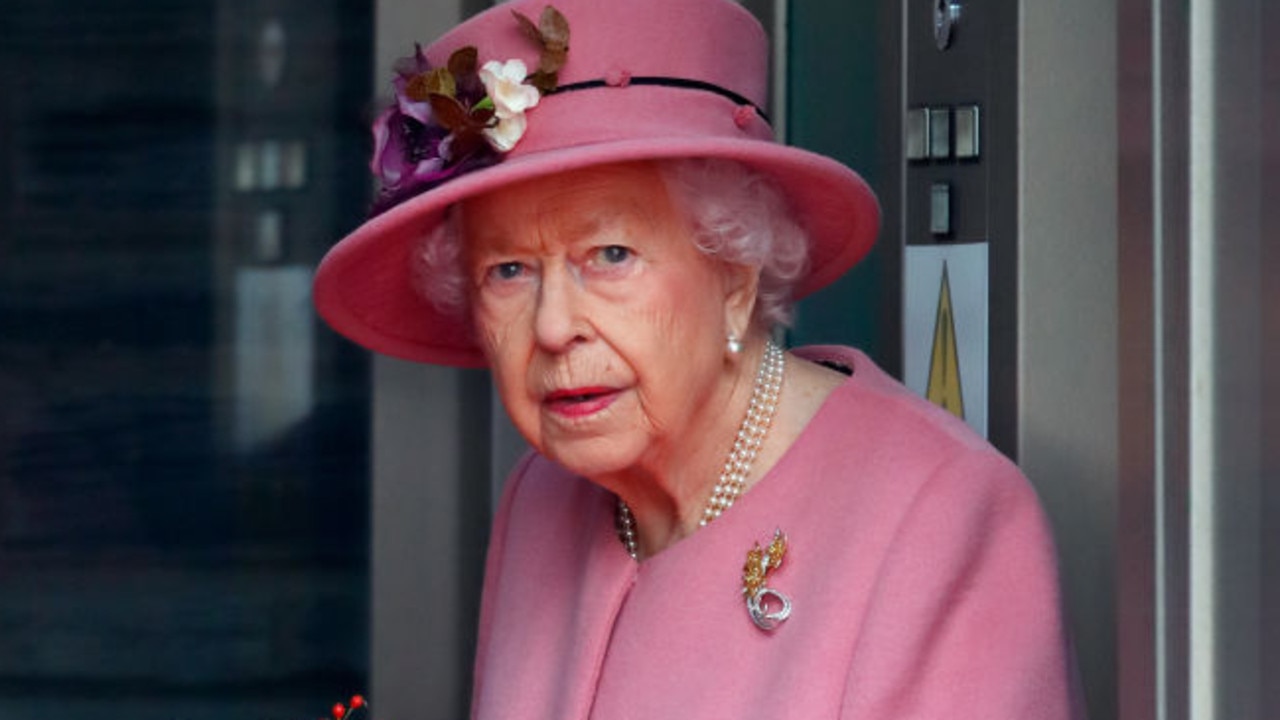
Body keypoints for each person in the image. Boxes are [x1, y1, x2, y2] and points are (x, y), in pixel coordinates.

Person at [314, 0, 1085, 717]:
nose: (553, 328)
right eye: (507, 271)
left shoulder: (940, 517)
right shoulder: (539, 500)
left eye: (610, 255)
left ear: (735, 274)